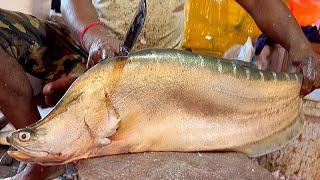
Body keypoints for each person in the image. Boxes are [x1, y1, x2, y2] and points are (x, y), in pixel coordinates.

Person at [0, 0, 319, 179]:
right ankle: (44, 152)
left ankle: (60, 118)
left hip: (164, 69)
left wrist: (301, 47)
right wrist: (94, 36)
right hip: (90, 50)